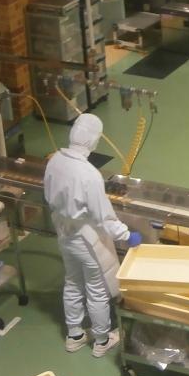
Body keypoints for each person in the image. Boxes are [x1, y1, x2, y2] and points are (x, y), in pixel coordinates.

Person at [44, 113, 139, 357]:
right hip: (85, 238)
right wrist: (127, 235)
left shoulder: (54, 161)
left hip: (63, 233)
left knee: (72, 282)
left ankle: (74, 335)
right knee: (97, 290)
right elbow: (103, 217)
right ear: (94, 139)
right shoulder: (89, 174)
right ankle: (101, 340)